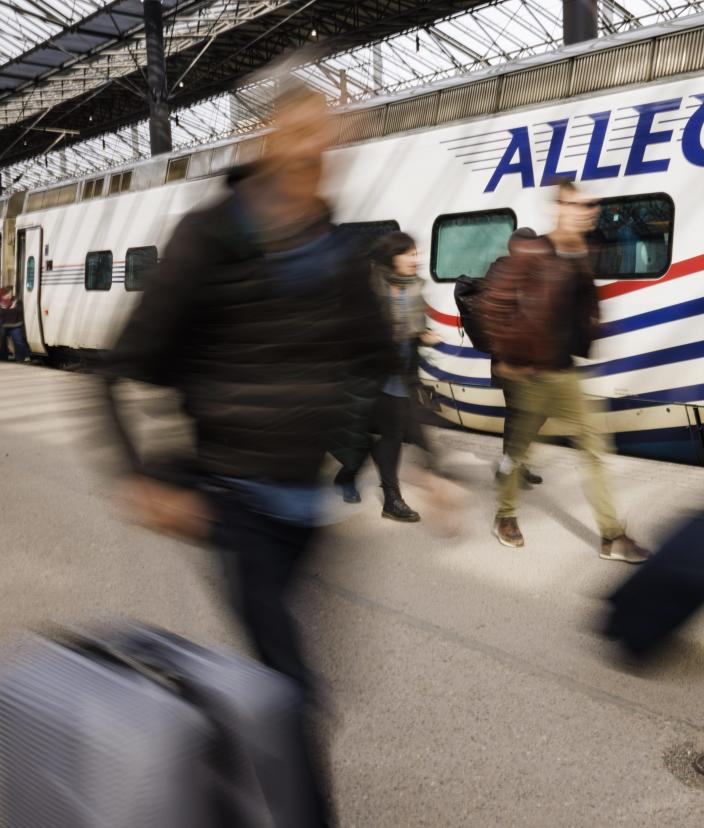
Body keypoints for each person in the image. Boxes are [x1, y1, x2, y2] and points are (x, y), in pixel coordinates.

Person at [102, 78, 393, 826]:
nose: (316, 148)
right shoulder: (209, 235)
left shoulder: (333, 245)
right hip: (235, 501)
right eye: (299, 133)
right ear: (264, 143)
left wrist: (431, 459)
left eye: (329, 134)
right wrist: (138, 474)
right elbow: (115, 367)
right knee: (293, 688)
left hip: (307, 505)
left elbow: (377, 359)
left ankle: (226, 769)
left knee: (283, 685)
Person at [481, 179, 648, 563]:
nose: (586, 212)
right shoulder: (532, 251)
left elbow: (583, 303)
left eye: (589, 206)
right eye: (577, 205)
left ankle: (612, 536)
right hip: (530, 373)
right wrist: (508, 357)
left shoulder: (582, 253)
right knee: (518, 452)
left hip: (565, 372)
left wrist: (590, 326)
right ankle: (505, 516)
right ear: (560, 208)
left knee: (595, 448)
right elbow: (492, 303)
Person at [332, 231, 438, 522]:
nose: (416, 259)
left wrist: (423, 336)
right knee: (361, 440)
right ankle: (346, 477)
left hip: (398, 377)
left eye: (416, 253)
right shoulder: (368, 289)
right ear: (392, 257)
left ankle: (392, 499)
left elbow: (414, 330)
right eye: (409, 254)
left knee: (391, 437)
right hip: (366, 377)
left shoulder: (414, 289)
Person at [486, 227, 546, 490]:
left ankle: (514, 465)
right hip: (509, 359)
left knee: (529, 413)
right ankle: (509, 469)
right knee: (521, 414)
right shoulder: (502, 273)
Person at [0, 287, 29, 362]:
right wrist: (8, 309)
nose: (9, 295)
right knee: (2, 342)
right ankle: (3, 358)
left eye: (10, 293)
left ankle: (21, 358)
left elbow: (19, 311)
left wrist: (8, 309)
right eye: (7, 294)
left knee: (18, 341)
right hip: (3, 325)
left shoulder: (16, 301)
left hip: (15, 324)